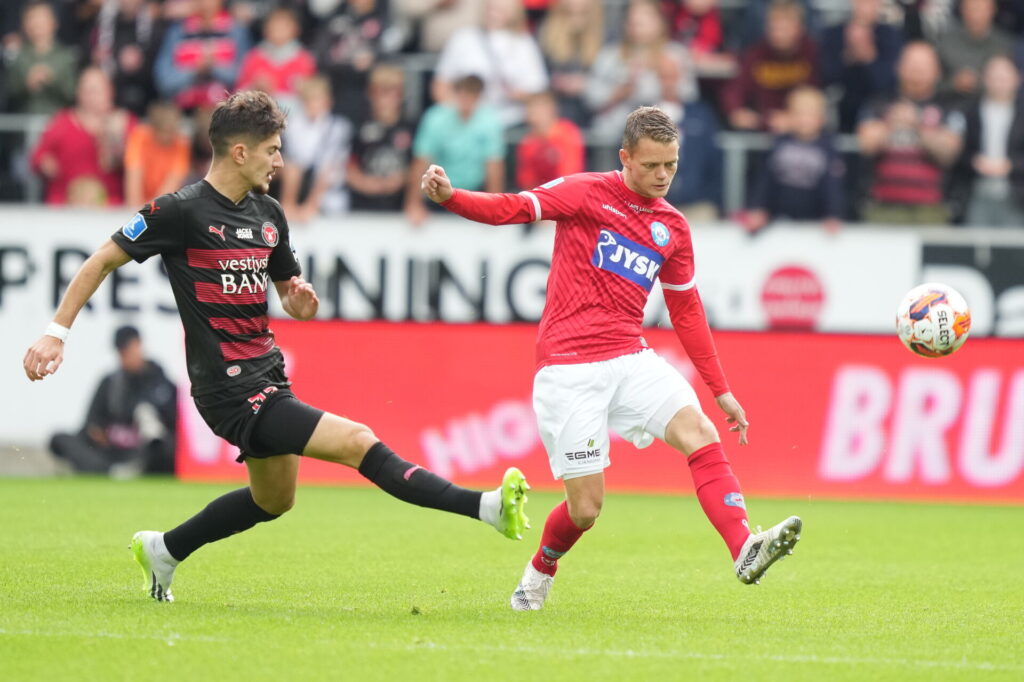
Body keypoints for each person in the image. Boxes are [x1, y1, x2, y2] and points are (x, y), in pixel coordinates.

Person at [23, 90, 529, 603]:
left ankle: (164, 550)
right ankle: (486, 507)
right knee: (357, 441)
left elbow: (291, 293)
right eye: (272, 149)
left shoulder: (268, 214)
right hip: (227, 386)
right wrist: (56, 332)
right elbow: (101, 260)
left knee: (274, 499)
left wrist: (299, 300)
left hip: (267, 374)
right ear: (239, 153)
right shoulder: (179, 211)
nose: (281, 160)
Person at [420, 105, 802, 610]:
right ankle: (539, 572)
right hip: (569, 368)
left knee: (701, 433)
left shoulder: (673, 228)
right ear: (625, 158)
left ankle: (743, 549)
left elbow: (687, 311)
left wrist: (721, 390)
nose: (663, 176)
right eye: (651, 166)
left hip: (630, 356)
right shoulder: (584, 192)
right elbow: (512, 207)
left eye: (671, 165)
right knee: (586, 509)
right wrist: (452, 197)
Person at [857, 41, 965, 224]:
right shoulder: (879, 103)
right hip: (882, 207)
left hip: (931, 209)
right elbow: (866, 145)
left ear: (937, 71)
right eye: (911, 64)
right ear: (898, 67)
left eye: (923, 66)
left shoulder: (949, 107)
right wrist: (891, 122)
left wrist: (917, 125)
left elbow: (949, 153)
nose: (917, 71)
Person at [50, 326, 177, 478]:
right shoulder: (110, 382)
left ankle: (127, 470)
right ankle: (113, 471)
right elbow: (91, 423)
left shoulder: (162, 383)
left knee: (165, 448)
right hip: (111, 450)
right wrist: (98, 432)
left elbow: (172, 426)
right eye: (121, 353)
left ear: (139, 345)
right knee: (59, 440)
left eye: (128, 350)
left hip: (145, 451)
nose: (125, 357)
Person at [585, 0, 697, 143]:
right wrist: (619, 92)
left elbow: (689, 96)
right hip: (615, 133)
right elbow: (590, 98)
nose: (637, 20)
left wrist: (669, 81)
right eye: (633, 15)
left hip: (661, 132)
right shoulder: (610, 55)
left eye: (646, 15)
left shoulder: (675, 54)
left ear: (660, 21)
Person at [404, 74, 504, 226]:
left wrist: (493, 207)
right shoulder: (436, 118)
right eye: (464, 95)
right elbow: (421, 162)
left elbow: (493, 166)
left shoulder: (489, 121)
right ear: (455, 94)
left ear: (479, 98)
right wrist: (414, 204)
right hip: (439, 193)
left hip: (475, 193)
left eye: (472, 96)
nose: (467, 101)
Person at [432, 0, 549, 128]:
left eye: (500, 8)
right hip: (467, 124)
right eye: (490, 7)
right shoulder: (463, 38)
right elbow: (441, 87)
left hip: (512, 121)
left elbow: (540, 92)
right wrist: (461, 109)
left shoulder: (524, 43)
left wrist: (516, 94)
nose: (494, 13)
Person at [31, 66, 135, 205]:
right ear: (78, 93)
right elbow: (37, 157)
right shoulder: (62, 122)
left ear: (110, 92)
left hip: (110, 206)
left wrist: (115, 139)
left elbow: (140, 163)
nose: (91, 96)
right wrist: (44, 162)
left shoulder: (126, 123)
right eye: (86, 91)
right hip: (65, 204)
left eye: (96, 91)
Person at [745, 86, 844, 232]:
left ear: (822, 118)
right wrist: (758, 208)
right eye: (798, 114)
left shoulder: (828, 147)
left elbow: (833, 186)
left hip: (814, 222)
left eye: (810, 114)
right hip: (778, 218)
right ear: (789, 115)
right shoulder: (779, 143)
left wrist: (833, 214)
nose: (804, 120)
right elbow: (765, 179)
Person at [721, 0, 818, 132]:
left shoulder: (811, 53)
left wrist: (793, 118)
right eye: (774, 28)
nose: (779, 34)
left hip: (802, 129)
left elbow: (817, 94)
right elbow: (735, 89)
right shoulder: (756, 54)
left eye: (785, 29)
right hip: (763, 126)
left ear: (799, 28)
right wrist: (736, 110)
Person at [955, 55, 1024, 227]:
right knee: (976, 247)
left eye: (1004, 78)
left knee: (1014, 249)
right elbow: (958, 151)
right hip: (976, 191)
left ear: (1017, 79)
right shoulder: (969, 111)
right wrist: (974, 162)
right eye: (994, 77)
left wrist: (1011, 165)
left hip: (1016, 194)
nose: (999, 83)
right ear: (984, 79)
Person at [820, 0, 904, 133]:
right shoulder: (833, 33)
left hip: (879, 107)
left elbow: (890, 81)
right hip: (841, 106)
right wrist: (848, 56)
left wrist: (868, 57)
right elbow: (826, 77)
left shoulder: (889, 35)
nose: (865, 5)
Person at [153, 0, 251, 110]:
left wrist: (214, 66)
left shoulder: (236, 31)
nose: (206, 3)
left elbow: (244, 78)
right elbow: (164, 81)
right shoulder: (177, 32)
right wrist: (194, 69)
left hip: (225, 110)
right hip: (182, 110)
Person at [280, 75, 352, 220]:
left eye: (317, 99)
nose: (313, 104)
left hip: (329, 196)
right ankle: (287, 206)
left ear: (328, 102)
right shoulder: (291, 125)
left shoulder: (338, 127)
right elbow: (292, 162)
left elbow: (330, 168)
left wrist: (311, 205)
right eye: (308, 99)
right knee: (291, 167)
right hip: (299, 187)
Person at [347, 63, 415, 211]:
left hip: (400, 208)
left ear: (400, 94)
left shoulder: (410, 128)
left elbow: (419, 165)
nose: (386, 99)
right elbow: (349, 167)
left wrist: (401, 179)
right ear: (371, 93)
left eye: (391, 92)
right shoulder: (360, 127)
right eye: (381, 92)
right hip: (363, 206)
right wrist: (366, 183)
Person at [235, 6, 316, 113]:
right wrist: (255, 87)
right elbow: (238, 95)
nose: (278, 31)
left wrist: (303, 90)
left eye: (284, 27)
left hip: (294, 117)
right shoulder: (254, 57)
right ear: (266, 29)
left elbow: (314, 96)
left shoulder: (304, 59)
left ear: (295, 29)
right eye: (274, 26)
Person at [6, 0, 78, 115]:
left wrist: (52, 81)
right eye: (31, 18)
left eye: (41, 18)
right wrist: (25, 85)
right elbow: (8, 93)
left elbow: (74, 95)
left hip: (57, 125)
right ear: (24, 24)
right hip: (21, 124)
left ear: (54, 22)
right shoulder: (17, 56)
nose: (36, 24)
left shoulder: (67, 56)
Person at [935, 0, 1014, 101]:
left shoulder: (1004, 45)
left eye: (981, 8)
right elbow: (932, 82)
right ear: (962, 10)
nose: (976, 13)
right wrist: (953, 84)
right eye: (971, 8)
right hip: (950, 102)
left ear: (993, 10)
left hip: (992, 104)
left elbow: (1011, 83)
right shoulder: (945, 42)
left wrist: (980, 82)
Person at [124, 100, 191, 207]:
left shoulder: (180, 144)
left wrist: (150, 212)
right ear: (153, 128)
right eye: (163, 131)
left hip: (161, 207)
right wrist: (135, 209)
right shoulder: (140, 136)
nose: (168, 136)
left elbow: (171, 185)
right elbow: (133, 176)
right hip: (138, 203)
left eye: (171, 131)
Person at [515, 90, 585, 191]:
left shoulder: (567, 133)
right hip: (540, 198)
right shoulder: (528, 142)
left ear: (551, 110)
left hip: (566, 195)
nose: (532, 114)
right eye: (530, 109)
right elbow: (527, 180)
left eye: (538, 109)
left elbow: (570, 174)